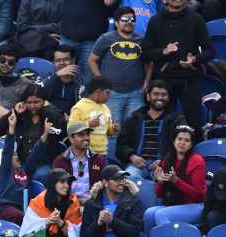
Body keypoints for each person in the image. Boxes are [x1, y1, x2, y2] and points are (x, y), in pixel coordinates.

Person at [142, 0, 213, 130]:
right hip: (164, 79)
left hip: (190, 78)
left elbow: (210, 51)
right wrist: (164, 51)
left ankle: (194, 150)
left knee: (194, 122)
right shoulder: (155, 20)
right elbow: (146, 52)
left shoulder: (196, 19)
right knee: (163, 123)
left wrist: (195, 59)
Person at [88, 7, 147, 136]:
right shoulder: (106, 38)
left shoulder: (141, 40)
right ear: (116, 22)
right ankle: (111, 157)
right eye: (125, 19)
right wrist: (100, 81)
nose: (129, 22)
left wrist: (147, 82)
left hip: (135, 93)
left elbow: (149, 63)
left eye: (132, 19)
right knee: (112, 132)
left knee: (133, 132)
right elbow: (92, 59)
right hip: (112, 94)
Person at [80, 166, 145, 237]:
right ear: (105, 182)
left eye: (123, 179)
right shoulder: (92, 204)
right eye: (117, 179)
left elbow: (134, 232)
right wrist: (98, 223)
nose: (121, 182)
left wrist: (112, 222)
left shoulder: (133, 201)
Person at [116, 80, 184, 180]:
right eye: (156, 94)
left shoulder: (177, 119)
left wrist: (165, 161)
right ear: (148, 96)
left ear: (168, 97)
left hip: (163, 165)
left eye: (163, 95)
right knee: (128, 180)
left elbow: (182, 145)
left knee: (165, 182)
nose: (160, 98)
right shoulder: (134, 118)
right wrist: (131, 156)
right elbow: (121, 145)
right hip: (137, 165)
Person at [145, 125, 207, 229]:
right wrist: (161, 181)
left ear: (191, 144)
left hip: (196, 206)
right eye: (179, 139)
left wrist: (176, 181)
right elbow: (159, 194)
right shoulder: (167, 160)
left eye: (187, 140)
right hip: (173, 205)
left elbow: (199, 195)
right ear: (174, 141)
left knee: (161, 214)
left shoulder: (197, 161)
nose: (182, 143)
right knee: (149, 214)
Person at [19, 174, 83, 237]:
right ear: (53, 183)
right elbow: (26, 233)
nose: (66, 186)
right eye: (62, 182)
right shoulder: (38, 202)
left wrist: (60, 222)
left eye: (68, 182)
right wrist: (46, 222)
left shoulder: (73, 203)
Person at [50, 123, 105, 205]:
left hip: (92, 206)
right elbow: (55, 189)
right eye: (81, 135)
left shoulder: (98, 159)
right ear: (71, 138)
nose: (86, 138)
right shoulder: (60, 161)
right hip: (67, 205)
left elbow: (106, 183)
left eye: (87, 134)